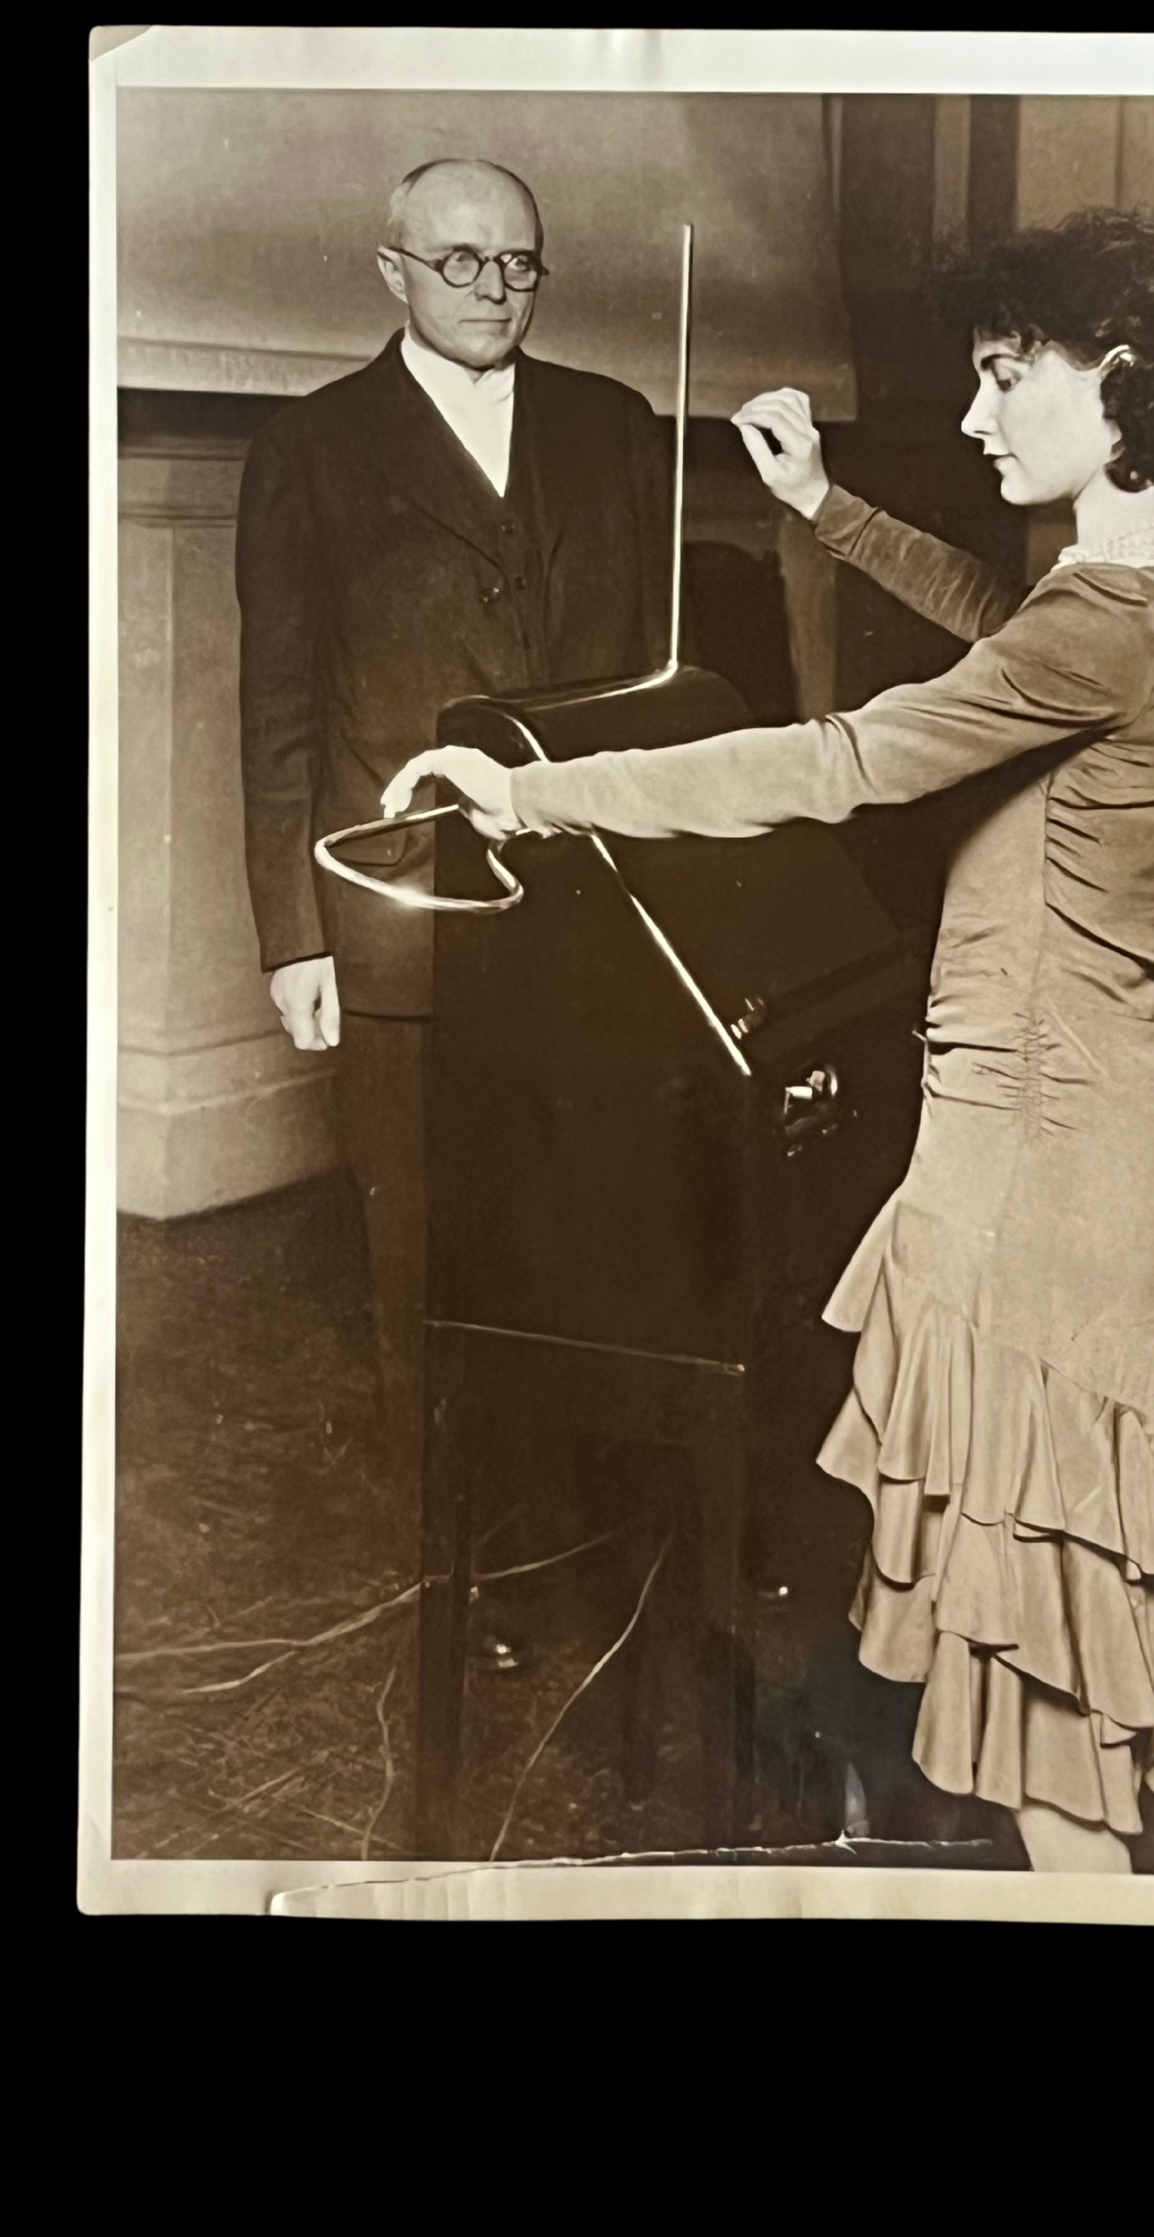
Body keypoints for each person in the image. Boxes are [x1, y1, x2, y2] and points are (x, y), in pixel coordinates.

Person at [383, 209, 1154, 1874]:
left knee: (1035, 1671)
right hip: (1108, 1123)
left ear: (1125, 377)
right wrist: (823, 513)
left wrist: (529, 788)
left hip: (1033, 1148)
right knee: (1077, 1616)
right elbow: (1003, 628)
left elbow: (838, 763)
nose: (975, 416)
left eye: (1009, 378)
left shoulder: (1107, 620)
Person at [235, 158, 670, 1543]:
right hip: (402, 922)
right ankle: (452, 1552)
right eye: (461, 262)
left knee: (588, 1233)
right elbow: (279, 715)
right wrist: (295, 934)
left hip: (594, 916)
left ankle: (576, 1541)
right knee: (423, 1254)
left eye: (519, 264)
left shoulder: (616, 427)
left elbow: (660, 692)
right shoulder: (308, 448)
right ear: (394, 273)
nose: (494, 289)